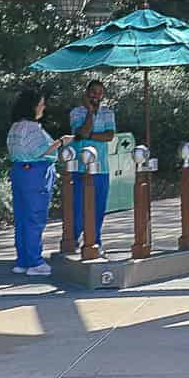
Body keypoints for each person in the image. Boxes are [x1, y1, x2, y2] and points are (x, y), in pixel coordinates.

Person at [5, 85, 71, 276]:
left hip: (19, 172)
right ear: (31, 107)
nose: (43, 108)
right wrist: (61, 142)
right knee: (35, 218)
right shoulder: (32, 128)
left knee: (22, 218)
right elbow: (40, 151)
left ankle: (23, 260)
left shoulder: (15, 126)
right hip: (36, 174)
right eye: (41, 104)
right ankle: (35, 262)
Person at [67, 79, 116, 251]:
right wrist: (89, 112)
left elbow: (109, 136)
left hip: (102, 168)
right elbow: (80, 133)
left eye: (100, 92)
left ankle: (94, 241)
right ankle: (73, 240)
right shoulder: (76, 112)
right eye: (93, 91)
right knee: (79, 208)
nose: (96, 95)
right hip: (81, 168)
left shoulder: (108, 113)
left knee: (98, 208)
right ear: (86, 92)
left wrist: (89, 135)